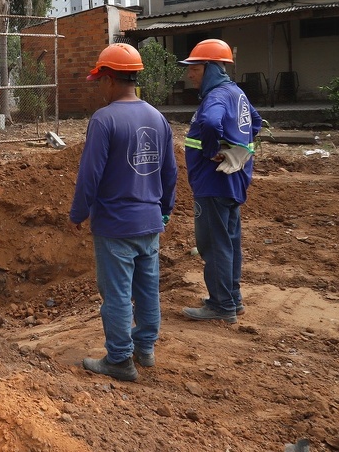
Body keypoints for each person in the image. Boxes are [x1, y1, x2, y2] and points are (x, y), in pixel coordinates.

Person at [70, 43, 177, 382]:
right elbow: (170, 173)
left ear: (110, 79)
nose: (99, 87)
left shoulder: (104, 119)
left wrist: (78, 213)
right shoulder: (157, 118)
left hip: (115, 224)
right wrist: (165, 211)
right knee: (147, 288)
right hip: (149, 222)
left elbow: (90, 175)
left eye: (100, 79)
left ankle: (119, 359)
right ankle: (145, 349)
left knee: (116, 294)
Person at [179, 39, 261, 324]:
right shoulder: (237, 93)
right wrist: (241, 150)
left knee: (213, 244)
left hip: (212, 183)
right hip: (232, 181)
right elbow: (257, 121)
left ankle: (221, 305)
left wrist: (214, 150)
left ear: (211, 68)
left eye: (195, 68)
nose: (190, 74)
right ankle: (233, 298)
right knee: (230, 241)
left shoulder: (215, 97)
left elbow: (213, 124)